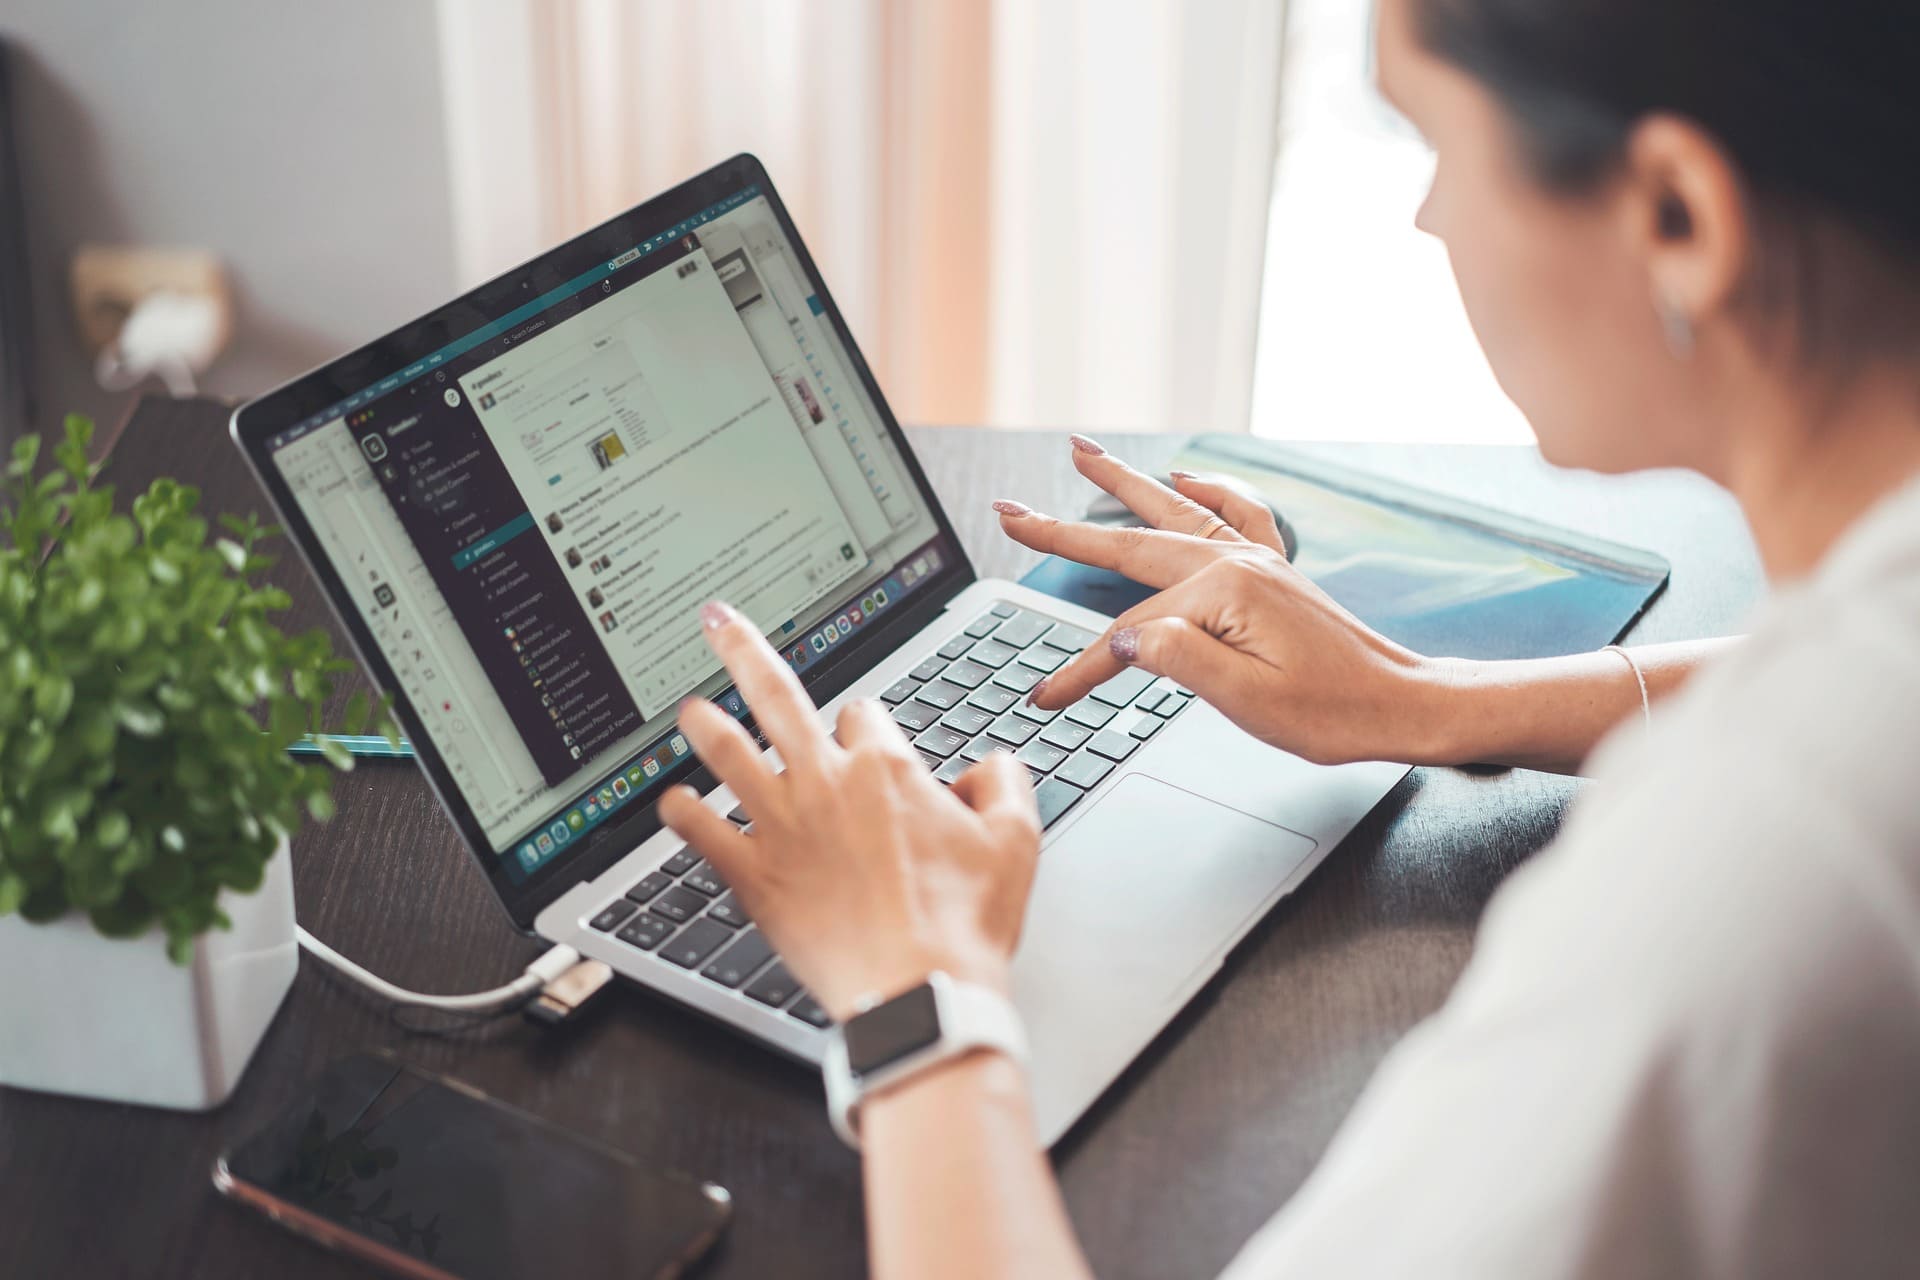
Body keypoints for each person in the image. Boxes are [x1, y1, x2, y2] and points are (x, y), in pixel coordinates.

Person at [658, 0, 1920, 1274]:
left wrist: (911, 990)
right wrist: (1427, 697)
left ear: (1678, 218)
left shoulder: (1735, 894)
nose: (1428, 218)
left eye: (1435, 140)